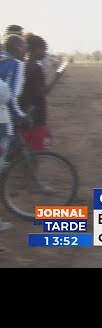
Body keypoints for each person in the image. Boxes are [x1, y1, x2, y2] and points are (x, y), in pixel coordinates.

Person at [0, 34, 30, 231]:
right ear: (18, 48)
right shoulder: (17, 65)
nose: (25, 49)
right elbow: (9, 97)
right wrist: (22, 116)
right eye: (24, 46)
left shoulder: (2, 60)